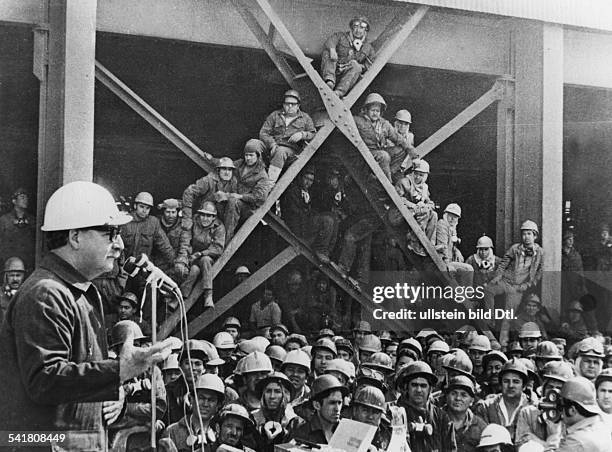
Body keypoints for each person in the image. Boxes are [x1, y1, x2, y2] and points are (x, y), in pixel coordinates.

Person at [0, 181, 176, 450]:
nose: (119, 244)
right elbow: (45, 381)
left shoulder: (77, 291)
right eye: (111, 233)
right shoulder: (46, 293)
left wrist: (113, 392)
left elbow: (80, 377)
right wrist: (118, 371)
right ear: (75, 237)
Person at [485, 220, 544, 346]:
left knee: (508, 316)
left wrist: (526, 286)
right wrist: (497, 278)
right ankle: (490, 319)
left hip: (517, 288)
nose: (526, 237)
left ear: (535, 236)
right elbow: (503, 264)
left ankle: (503, 344)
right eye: (524, 234)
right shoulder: (515, 249)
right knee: (488, 290)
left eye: (529, 234)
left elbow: (538, 275)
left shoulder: (539, 252)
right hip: (506, 281)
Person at [395, 361, 457, 451]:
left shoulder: (441, 418)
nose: (419, 390)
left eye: (423, 386)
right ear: (406, 387)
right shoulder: (395, 413)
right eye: (414, 385)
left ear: (430, 389)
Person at [280, 167, 336, 264]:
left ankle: (327, 250)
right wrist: (306, 205)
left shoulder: (306, 192)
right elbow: (294, 214)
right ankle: (320, 249)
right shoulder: (293, 192)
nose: (308, 182)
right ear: (301, 178)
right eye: (306, 178)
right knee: (327, 220)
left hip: (304, 223)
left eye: (311, 180)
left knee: (333, 217)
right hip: (297, 226)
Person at [176, 201, 225, 308]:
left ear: (213, 217)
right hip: (193, 257)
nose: (205, 218)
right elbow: (187, 239)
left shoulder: (219, 227)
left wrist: (201, 254)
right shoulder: (194, 221)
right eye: (203, 215)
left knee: (205, 260)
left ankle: (208, 296)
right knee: (194, 270)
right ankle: (181, 297)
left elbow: (218, 248)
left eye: (208, 216)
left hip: (208, 258)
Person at [259, 89, 316, 183]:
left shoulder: (305, 118)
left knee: (281, 151)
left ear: (298, 106)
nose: (289, 106)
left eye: (293, 104)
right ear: (283, 105)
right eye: (287, 103)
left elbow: (313, 133)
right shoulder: (275, 115)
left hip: (290, 151)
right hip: (272, 147)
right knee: (253, 144)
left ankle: (269, 183)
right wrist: (272, 144)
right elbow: (263, 133)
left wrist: (302, 134)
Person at [353, 93, 413, 180]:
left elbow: (397, 138)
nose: (375, 113)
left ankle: (387, 174)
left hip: (378, 152)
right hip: (365, 153)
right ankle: (387, 181)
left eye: (377, 111)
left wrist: (412, 151)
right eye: (372, 110)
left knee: (402, 149)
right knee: (384, 156)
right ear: (366, 110)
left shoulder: (384, 123)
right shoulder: (358, 121)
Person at [515, 360, 574, 449]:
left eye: (559, 388)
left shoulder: (572, 415)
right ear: (543, 389)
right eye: (550, 387)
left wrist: (541, 443)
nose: (554, 392)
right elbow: (521, 444)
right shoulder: (528, 413)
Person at [162, 373, 225, 451]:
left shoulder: (221, 434)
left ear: (218, 405)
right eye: (201, 398)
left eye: (211, 400)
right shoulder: (173, 431)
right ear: (191, 399)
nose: (205, 404)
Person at [474, 359, 532, 442]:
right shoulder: (486, 407)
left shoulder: (532, 409)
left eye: (516, 382)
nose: (510, 385)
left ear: (524, 386)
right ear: (500, 383)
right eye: (506, 381)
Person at [391, 159, 437, 257]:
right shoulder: (404, 182)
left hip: (414, 214)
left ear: (426, 176)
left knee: (433, 214)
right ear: (412, 172)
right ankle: (414, 241)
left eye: (421, 175)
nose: (417, 177)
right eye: (416, 173)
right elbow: (397, 199)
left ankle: (426, 244)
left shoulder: (424, 188)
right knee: (423, 211)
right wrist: (414, 206)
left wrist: (426, 205)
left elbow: (430, 203)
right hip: (398, 214)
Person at [320, 16, 376, 98]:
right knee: (327, 53)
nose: (358, 30)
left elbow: (370, 63)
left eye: (361, 28)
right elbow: (330, 41)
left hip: (347, 76)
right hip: (333, 69)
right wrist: (332, 50)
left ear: (365, 30)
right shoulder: (341, 36)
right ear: (352, 27)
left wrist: (360, 66)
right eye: (355, 26)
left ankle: (339, 92)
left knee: (356, 67)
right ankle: (329, 81)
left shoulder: (368, 47)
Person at [288, 374, 348, 444]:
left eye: (339, 403)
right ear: (317, 405)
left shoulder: (345, 430)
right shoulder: (302, 433)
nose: (337, 409)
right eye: (332, 403)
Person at [556, 376, 612, 451]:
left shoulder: (576, 440)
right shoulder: (601, 425)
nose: (561, 412)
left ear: (572, 410)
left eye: (561, 407)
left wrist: (553, 435)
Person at [251, 372, 297, 451]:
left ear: (286, 395)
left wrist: (283, 434)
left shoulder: (295, 423)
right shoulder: (253, 420)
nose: (272, 396)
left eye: (277, 391)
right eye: (268, 391)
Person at [443, 375, 487, 452]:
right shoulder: (435, 419)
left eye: (464, 395)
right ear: (446, 396)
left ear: (472, 400)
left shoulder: (481, 427)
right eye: (454, 393)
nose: (458, 398)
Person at [436, 203, 474, 287]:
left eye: (455, 217)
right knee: (468, 269)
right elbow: (442, 247)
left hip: (450, 260)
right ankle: (467, 296)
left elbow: (452, 245)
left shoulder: (452, 228)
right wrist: (447, 264)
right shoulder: (442, 225)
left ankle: (465, 295)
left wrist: (457, 251)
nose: (452, 219)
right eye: (450, 215)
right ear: (445, 215)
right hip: (443, 262)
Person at [0, 188, 35, 270]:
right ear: (14, 201)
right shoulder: (4, 220)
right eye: (22, 197)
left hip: (28, 263)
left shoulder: (32, 220)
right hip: (9, 262)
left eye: (27, 198)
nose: (26, 200)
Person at [350, 385, 391, 450]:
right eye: (365, 410)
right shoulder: (344, 432)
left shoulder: (387, 437)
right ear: (355, 411)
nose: (370, 416)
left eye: (375, 412)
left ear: (380, 416)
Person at [466, 235, 500, 311]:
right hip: (476, 295)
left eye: (486, 249)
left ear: (490, 249)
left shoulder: (497, 261)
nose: (483, 252)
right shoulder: (471, 260)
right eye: (481, 249)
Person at [388, 109, 419, 181]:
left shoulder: (410, 136)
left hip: (399, 169)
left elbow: (410, 153)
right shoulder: (389, 133)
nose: (402, 126)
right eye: (400, 123)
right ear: (396, 123)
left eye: (405, 124)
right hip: (388, 165)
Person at [0, 256, 26, 324]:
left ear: (23, 276)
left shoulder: (28, 294)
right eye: (12, 275)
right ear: (6, 276)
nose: (15, 279)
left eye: (18, 275)